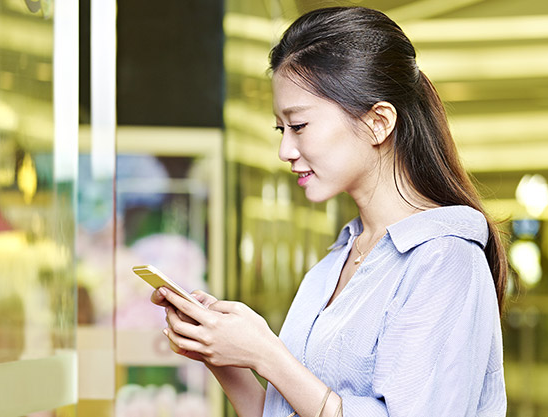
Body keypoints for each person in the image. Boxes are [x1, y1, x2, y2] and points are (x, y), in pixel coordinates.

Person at [151, 6, 506, 417]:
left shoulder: (445, 260)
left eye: (298, 126)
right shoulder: (338, 259)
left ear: (378, 122)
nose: (285, 151)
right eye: (280, 130)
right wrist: (221, 352)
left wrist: (268, 355)